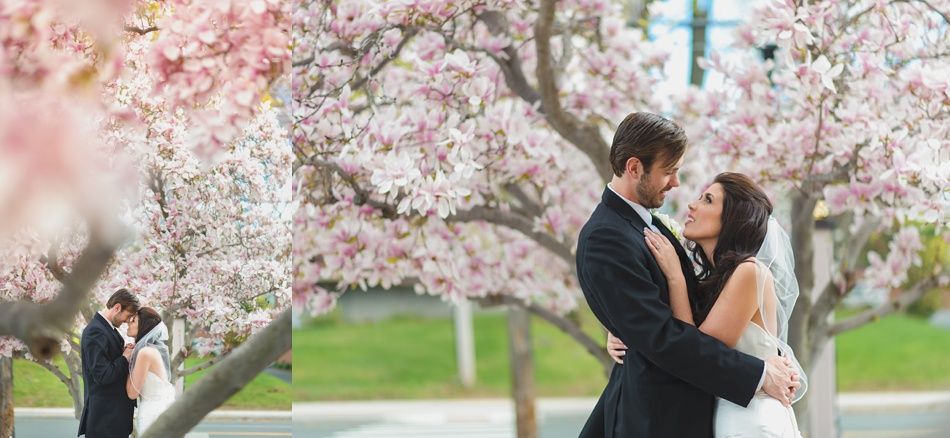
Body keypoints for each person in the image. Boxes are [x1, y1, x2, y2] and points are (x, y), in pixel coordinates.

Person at [574, 112, 800, 437]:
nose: (677, 184)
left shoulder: (648, 228)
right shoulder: (607, 236)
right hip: (657, 420)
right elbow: (661, 338)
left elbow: (667, 324)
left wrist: (631, 330)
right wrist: (759, 374)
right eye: (669, 171)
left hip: (704, 414)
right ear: (635, 167)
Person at [612, 172, 807, 436]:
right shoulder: (716, 279)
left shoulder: (750, 272)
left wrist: (676, 279)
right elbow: (667, 327)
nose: (693, 205)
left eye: (708, 200)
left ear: (731, 220)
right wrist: (620, 332)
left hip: (752, 420)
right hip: (729, 415)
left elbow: (697, 351)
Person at [78, 288, 139, 438]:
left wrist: (124, 353)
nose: (127, 321)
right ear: (117, 307)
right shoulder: (95, 331)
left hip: (112, 419)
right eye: (128, 315)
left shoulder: (107, 329)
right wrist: (124, 358)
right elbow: (103, 375)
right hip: (104, 421)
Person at [124, 306, 176, 434]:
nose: (128, 323)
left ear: (143, 326)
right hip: (160, 408)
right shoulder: (150, 350)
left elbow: (132, 393)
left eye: (133, 320)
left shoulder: (145, 353)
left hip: (152, 412)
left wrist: (125, 358)